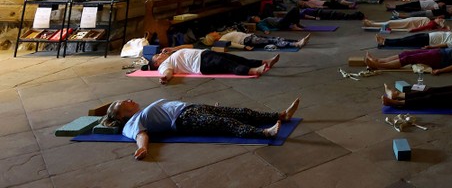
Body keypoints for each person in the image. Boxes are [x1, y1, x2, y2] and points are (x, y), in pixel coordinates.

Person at [98, 95, 300, 160]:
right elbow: (140, 135)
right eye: (123, 103)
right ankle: (265, 133)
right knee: (225, 124)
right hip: (184, 120)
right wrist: (142, 148)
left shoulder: (140, 112)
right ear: (121, 115)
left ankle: (280, 115)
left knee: (240, 112)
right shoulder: (131, 124)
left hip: (192, 108)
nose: (128, 99)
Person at [148, 45, 279, 84]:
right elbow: (167, 72)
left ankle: (264, 62)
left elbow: (190, 46)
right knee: (228, 65)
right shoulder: (163, 65)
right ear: (157, 62)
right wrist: (166, 77)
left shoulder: (172, 55)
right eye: (157, 56)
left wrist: (172, 49)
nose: (161, 54)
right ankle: (252, 71)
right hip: (201, 63)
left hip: (204, 54)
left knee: (234, 58)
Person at [364, 44, 452, 74]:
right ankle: (379, 61)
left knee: (409, 59)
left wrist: (440, 71)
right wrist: (431, 47)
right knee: (406, 53)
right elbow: (449, 47)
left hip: (438, 58)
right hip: (437, 52)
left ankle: (378, 65)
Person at [201, 30, 310, 50]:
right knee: (271, 41)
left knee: (273, 38)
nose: (214, 31)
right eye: (212, 33)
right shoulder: (222, 39)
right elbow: (233, 44)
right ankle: (295, 45)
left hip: (249, 36)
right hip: (248, 41)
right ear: (213, 37)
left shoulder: (223, 35)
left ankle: (295, 41)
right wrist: (244, 47)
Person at [375, 30, 452, 49]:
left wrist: (430, 47)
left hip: (427, 41)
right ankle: (386, 40)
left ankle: (385, 42)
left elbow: (443, 45)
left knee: (404, 42)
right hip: (428, 35)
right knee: (406, 38)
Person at [363, 15, 446, 32]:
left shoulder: (431, 24)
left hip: (409, 23)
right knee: (391, 23)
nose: (438, 18)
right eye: (439, 18)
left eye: (440, 20)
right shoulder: (432, 22)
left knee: (391, 23)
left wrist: (413, 30)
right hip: (410, 20)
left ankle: (371, 24)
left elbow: (422, 28)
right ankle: (374, 23)